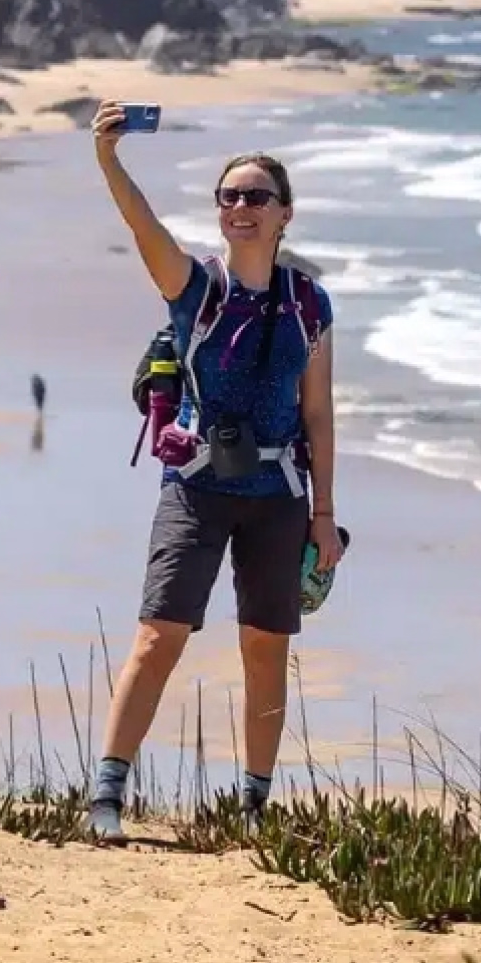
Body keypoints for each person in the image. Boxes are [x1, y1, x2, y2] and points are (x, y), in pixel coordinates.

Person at [85, 99, 344, 842]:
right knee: (158, 635)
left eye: (256, 197)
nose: (241, 208)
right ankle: (108, 794)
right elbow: (143, 227)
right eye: (229, 197)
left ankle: (255, 808)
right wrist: (109, 160)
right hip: (196, 487)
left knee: (266, 649)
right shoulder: (196, 288)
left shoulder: (308, 305)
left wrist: (324, 516)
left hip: (277, 496)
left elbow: (319, 415)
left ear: (285, 214)